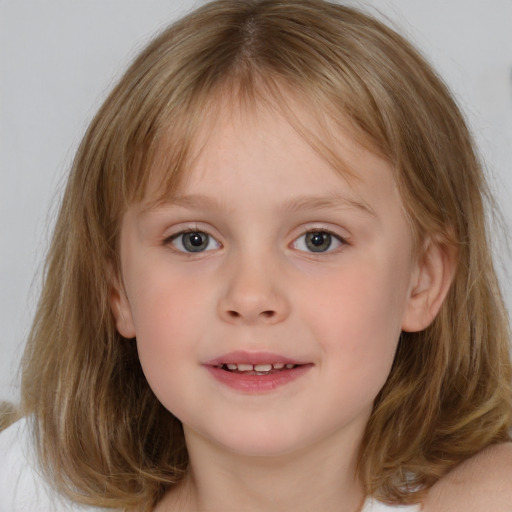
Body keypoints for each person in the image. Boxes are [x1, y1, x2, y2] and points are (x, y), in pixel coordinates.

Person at [1, 0, 511, 511]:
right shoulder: (24, 485)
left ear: (422, 281)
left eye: (318, 239)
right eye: (193, 239)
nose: (250, 297)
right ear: (118, 289)